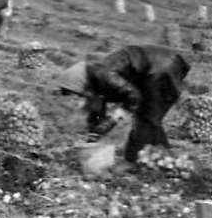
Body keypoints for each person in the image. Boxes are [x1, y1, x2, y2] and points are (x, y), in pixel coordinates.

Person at [58, 45, 190, 162]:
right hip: (155, 70)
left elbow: (133, 96)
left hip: (162, 68)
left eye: (78, 95)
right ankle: (152, 158)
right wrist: (93, 136)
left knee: (147, 117)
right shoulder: (95, 81)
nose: (78, 101)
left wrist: (117, 115)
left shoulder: (104, 74)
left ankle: (152, 160)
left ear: (81, 84)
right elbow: (97, 113)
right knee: (148, 119)